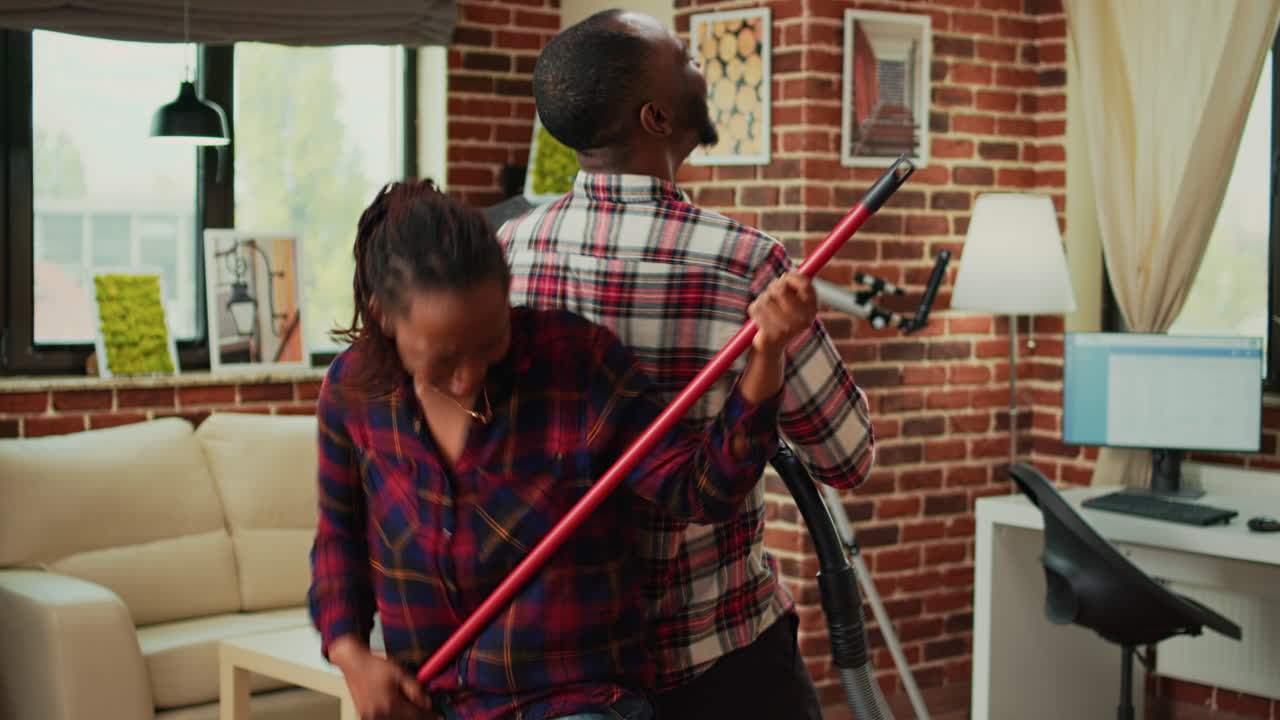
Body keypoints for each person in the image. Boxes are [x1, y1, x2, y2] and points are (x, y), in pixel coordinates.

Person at [308, 179, 820, 720]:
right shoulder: (351, 389)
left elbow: (704, 490)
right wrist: (352, 655)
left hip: (574, 701)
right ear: (384, 316)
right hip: (431, 702)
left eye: (489, 342)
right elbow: (338, 539)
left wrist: (767, 354)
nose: (467, 379)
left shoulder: (578, 361)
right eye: (441, 358)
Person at [499, 10, 876, 719]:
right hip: (716, 657)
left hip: (566, 666)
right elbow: (847, 456)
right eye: (685, 57)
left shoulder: (509, 251)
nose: (702, 61)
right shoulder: (745, 263)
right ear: (657, 114)